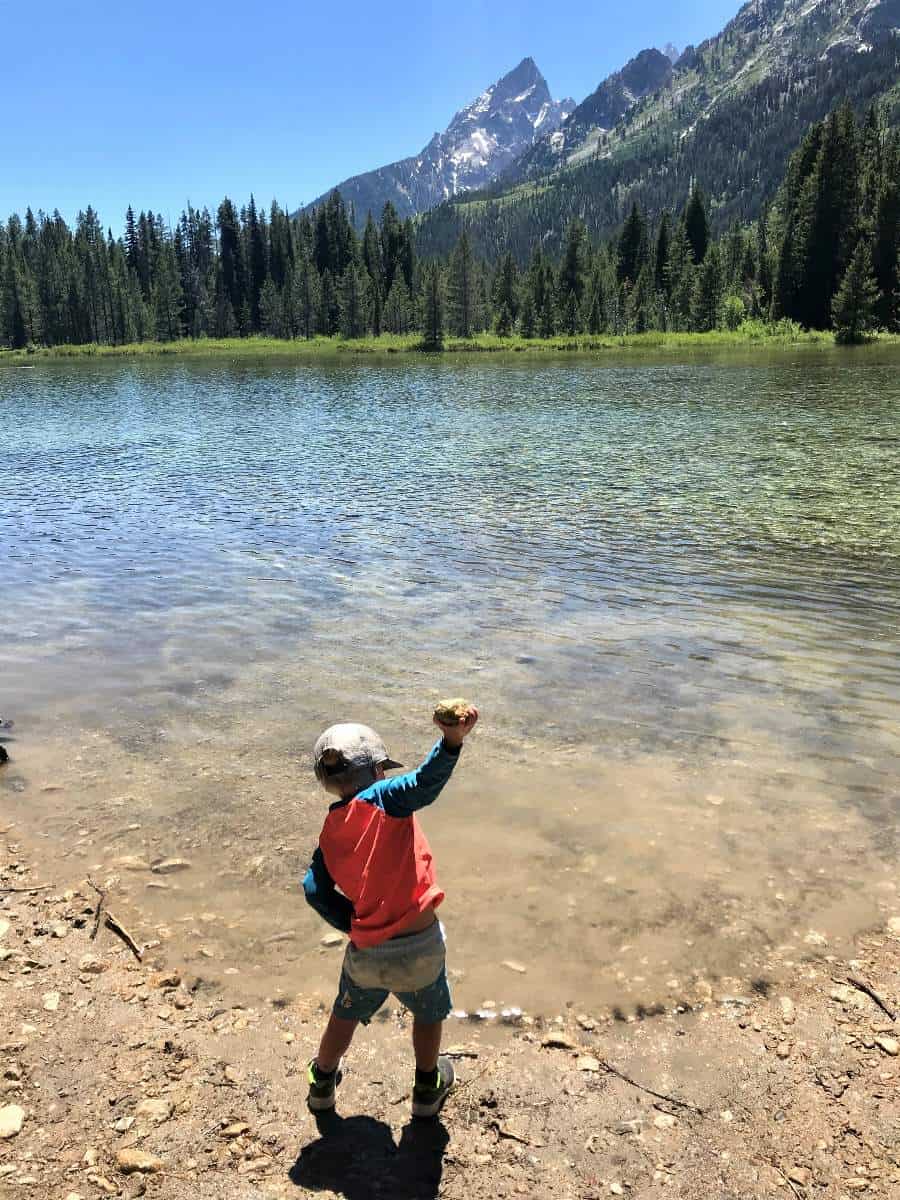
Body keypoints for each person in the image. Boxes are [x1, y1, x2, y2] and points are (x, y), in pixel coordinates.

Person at [302, 704, 478, 1118]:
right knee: (429, 1014)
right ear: (378, 771)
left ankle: (322, 1083)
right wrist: (451, 743)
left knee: (344, 1013)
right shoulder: (384, 797)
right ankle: (426, 1089)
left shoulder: (331, 831)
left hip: (368, 951)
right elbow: (424, 784)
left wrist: (352, 924)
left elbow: (313, 888)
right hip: (419, 945)